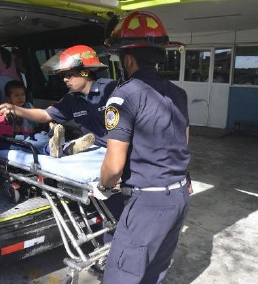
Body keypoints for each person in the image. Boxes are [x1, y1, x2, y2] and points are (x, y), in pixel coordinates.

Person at [0, 45, 126, 256]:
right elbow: (45, 116)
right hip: (99, 150)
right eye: (63, 76)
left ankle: (114, 250)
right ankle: (106, 243)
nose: (65, 79)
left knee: (115, 205)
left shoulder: (111, 89)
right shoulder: (71, 100)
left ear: (85, 71)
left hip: (121, 150)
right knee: (102, 201)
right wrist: (16, 109)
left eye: (70, 74)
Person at [93, 11, 191, 284]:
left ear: (129, 58)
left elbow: (113, 167)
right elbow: (183, 140)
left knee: (122, 275)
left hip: (149, 204)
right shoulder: (177, 93)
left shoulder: (124, 96)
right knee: (154, 272)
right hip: (179, 197)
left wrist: (102, 186)